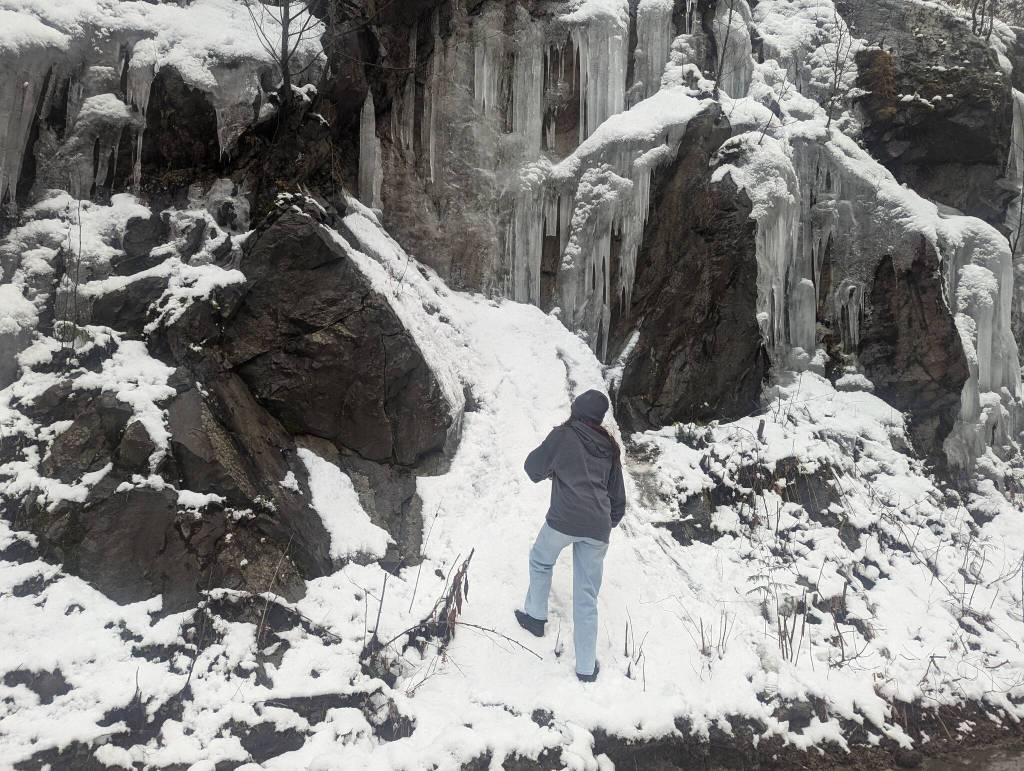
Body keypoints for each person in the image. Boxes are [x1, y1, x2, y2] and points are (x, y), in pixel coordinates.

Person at [516, 389, 626, 682]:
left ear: (576, 410)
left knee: (541, 560)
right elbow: (618, 500)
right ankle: (586, 669)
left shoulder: (563, 435)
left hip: (564, 519)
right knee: (586, 597)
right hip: (598, 527)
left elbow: (532, 468)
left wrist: (554, 470)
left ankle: (535, 617)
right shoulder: (609, 447)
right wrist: (604, 524)